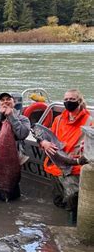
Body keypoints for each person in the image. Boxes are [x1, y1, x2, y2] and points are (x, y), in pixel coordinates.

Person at [38, 89, 92, 224]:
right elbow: (46, 136)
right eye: (66, 99)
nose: (68, 102)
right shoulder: (58, 119)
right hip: (56, 166)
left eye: (72, 99)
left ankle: (73, 223)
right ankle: (61, 221)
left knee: (73, 197)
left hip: (75, 168)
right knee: (58, 199)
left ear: (79, 101)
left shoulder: (90, 120)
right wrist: (43, 142)